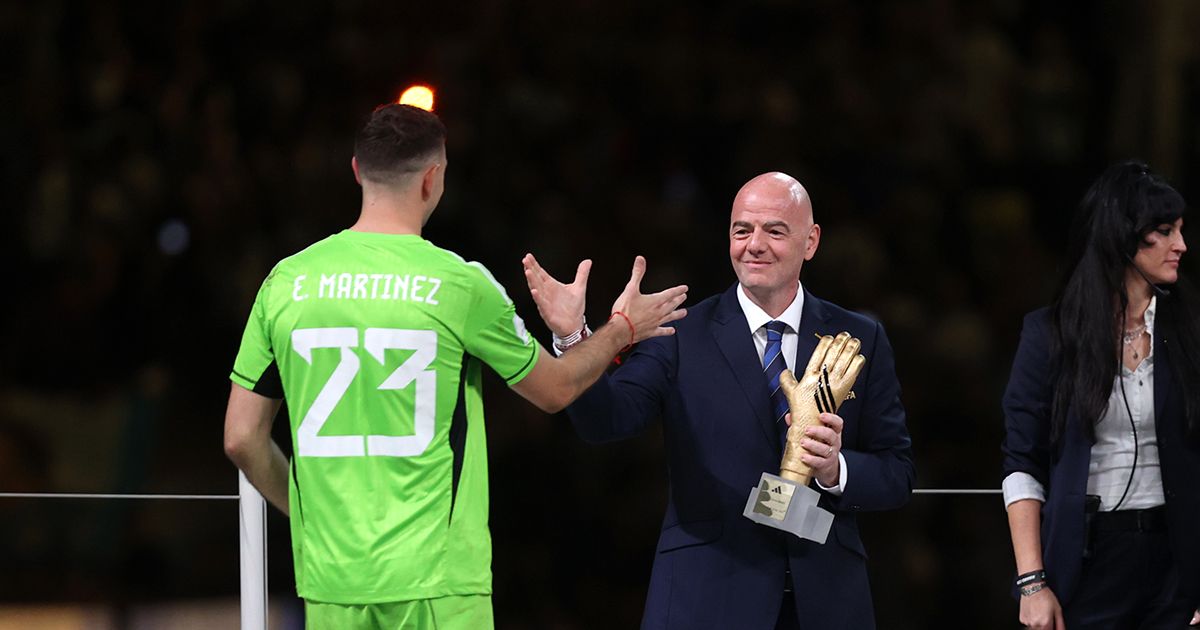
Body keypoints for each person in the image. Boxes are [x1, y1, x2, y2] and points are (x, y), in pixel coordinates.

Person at [222, 103, 688, 630]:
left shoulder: (287, 282)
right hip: (436, 580)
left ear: (356, 170)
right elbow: (555, 391)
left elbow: (241, 437)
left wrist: (309, 524)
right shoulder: (458, 284)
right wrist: (621, 328)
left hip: (331, 578)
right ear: (433, 177)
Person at [523, 171, 914, 629]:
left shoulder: (859, 336)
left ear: (811, 242)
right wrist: (574, 338)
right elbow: (605, 422)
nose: (754, 245)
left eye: (775, 230)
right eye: (742, 230)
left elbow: (897, 473)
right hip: (707, 600)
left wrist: (834, 469)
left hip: (825, 603)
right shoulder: (680, 332)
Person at [1001, 161, 1200, 629]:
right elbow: (1021, 463)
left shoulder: (1191, 330)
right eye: (1166, 231)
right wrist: (1032, 583)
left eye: (1181, 231)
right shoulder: (1049, 335)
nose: (1181, 246)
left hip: (1178, 562)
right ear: (1123, 237)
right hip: (1089, 561)